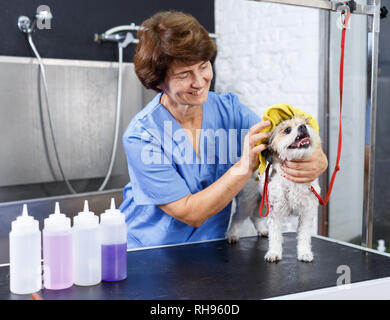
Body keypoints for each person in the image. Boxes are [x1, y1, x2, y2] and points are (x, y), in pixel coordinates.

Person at [119, 11, 328, 248]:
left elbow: (277, 137)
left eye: (203, 66)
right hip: (149, 252)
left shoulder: (229, 109)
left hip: (211, 249)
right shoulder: (142, 136)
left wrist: (317, 155)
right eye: (184, 74)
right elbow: (190, 212)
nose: (199, 82)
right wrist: (245, 166)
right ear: (158, 81)